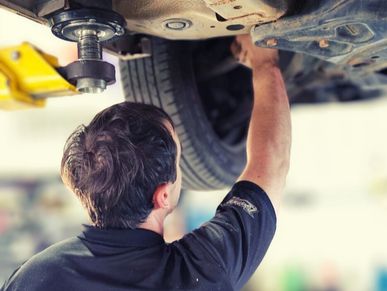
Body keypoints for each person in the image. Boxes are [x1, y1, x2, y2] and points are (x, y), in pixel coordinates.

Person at [1, 35, 291, 291]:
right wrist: (265, 63)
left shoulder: (32, 279)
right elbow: (269, 164)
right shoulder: (201, 267)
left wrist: (265, 61)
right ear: (162, 194)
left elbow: (272, 165)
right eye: (180, 159)